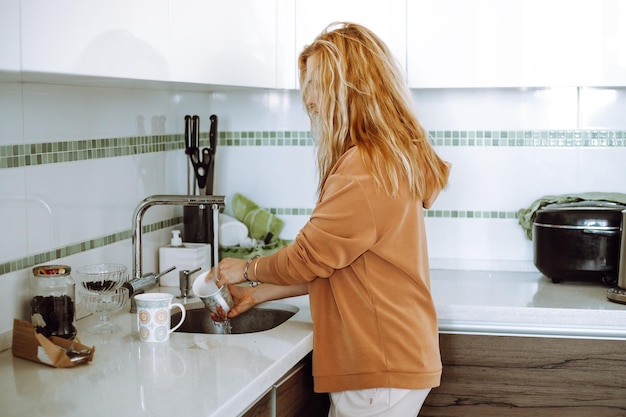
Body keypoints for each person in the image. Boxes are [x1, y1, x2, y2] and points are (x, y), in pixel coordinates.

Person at [210, 22, 451, 417]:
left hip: (378, 362)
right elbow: (341, 264)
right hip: (392, 356)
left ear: (350, 88)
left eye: (317, 87)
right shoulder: (387, 157)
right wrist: (261, 292)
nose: (311, 102)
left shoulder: (365, 167)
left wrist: (248, 269)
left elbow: (309, 256)